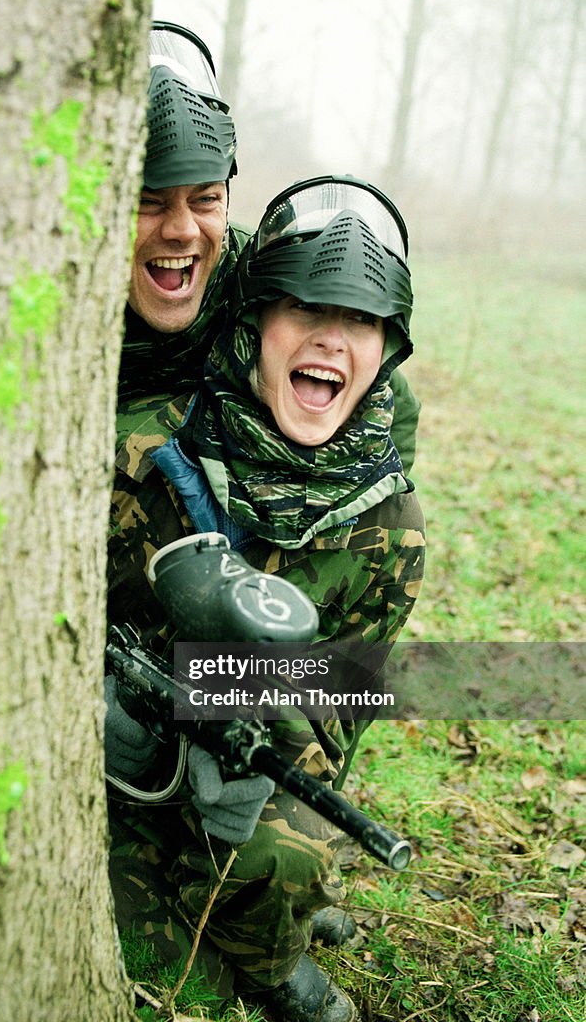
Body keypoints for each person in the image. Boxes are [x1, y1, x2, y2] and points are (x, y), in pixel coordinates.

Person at [105, 176, 426, 1022]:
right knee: (175, 991)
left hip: (250, 756)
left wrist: (261, 737)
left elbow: (346, 693)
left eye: (359, 321)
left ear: (385, 350)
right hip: (124, 776)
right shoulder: (149, 449)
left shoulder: (388, 519)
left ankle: (275, 938)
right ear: (252, 328)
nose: (330, 341)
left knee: (285, 853)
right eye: (302, 310)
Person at [121, 21, 422, 475]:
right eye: (148, 202)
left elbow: (385, 395)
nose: (183, 231)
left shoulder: (253, 276)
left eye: (206, 200)